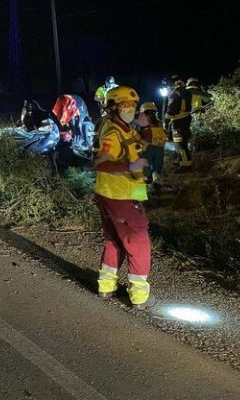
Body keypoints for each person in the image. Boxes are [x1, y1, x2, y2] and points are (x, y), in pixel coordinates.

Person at [94, 85, 153, 309]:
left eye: (133, 105)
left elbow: (143, 145)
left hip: (119, 194)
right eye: (125, 105)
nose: (130, 109)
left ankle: (106, 287)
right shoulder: (113, 132)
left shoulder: (124, 128)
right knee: (139, 242)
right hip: (120, 196)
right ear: (113, 107)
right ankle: (139, 297)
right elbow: (101, 163)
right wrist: (130, 165)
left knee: (114, 240)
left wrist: (146, 128)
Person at [164, 76, 193, 171]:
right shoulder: (186, 92)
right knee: (182, 142)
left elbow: (171, 109)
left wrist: (165, 121)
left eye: (168, 85)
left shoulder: (174, 93)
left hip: (178, 122)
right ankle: (181, 160)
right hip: (185, 119)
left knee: (180, 144)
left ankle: (185, 165)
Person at [136, 102, 167, 186]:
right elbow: (164, 135)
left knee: (146, 166)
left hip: (147, 148)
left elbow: (136, 136)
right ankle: (156, 180)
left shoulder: (141, 123)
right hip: (159, 149)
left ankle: (148, 183)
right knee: (157, 167)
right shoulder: (159, 123)